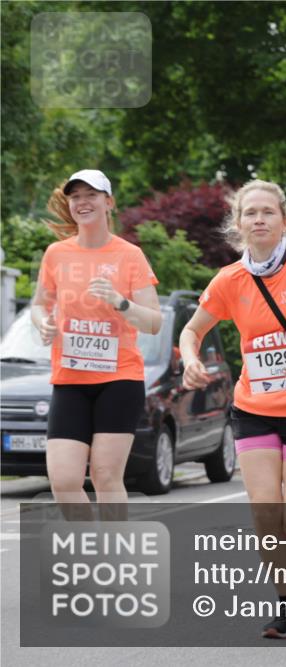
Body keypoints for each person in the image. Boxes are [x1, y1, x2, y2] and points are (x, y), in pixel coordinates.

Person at [180, 179, 286, 638]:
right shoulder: (229, 280)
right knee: (265, 513)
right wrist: (192, 360)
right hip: (253, 406)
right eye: (249, 213)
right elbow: (191, 331)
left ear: (284, 220)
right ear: (238, 225)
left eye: (267, 212)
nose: (259, 219)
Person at [32, 170, 162, 521]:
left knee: (106, 476)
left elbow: (154, 321)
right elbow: (38, 305)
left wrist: (120, 302)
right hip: (70, 379)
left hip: (118, 379)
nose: (82, 202)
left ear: (109, 202)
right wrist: (43, 323)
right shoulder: (56, 254)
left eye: (91, 194)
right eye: (75, 196)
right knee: (63, 480)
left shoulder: (129, 255)